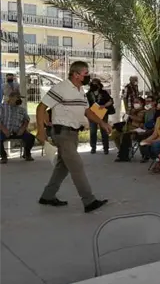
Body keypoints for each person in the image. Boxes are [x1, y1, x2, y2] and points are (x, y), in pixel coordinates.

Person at [36, 61, 110, 213]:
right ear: (76, 74)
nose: (88, 76)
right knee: (77, 166)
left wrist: (102, 123)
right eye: (85, 73)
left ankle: (47, 196)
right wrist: (40, 131)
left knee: (62, 167)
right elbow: (41, 107)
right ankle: (89, 201)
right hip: (62, 133)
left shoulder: (80, 90)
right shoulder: (61, 88)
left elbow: (87, 111)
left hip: (73, 133)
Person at [0, 92, 35, 163]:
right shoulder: (2, 107)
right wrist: (4, 129)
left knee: (31, 137)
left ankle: (27, 154)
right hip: (4, 130)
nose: (19, 99)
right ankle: (3, 156)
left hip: (18, 131)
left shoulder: (22, 109)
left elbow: (26, 120)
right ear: (10, 98)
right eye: (18, 97)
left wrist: (22, 129)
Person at [86, 78, 114, 155]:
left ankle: (106, 148)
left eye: (96, 84)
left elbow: (111, 101)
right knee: (93, 131)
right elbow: (86, 104)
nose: (95, 85)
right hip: (92, 114)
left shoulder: (104, 93)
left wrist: (104, 105)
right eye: (93, 84)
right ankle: (93, 147)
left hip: (102, 113)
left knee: (104, 131)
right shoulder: (88, 94)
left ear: (99, 85)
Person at [114, 96, 146, 162]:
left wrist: (130, 116)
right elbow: (125, 119)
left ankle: (124, 154)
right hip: (127, 127)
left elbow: (140, 119)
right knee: (115, 134)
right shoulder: (131, 110)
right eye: (134, 102)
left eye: (137, 102)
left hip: (138, 128)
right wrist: (127, 113)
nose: (135, 104)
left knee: (125, 136)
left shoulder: (144, 111)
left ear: (142, 103)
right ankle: (122, 151)